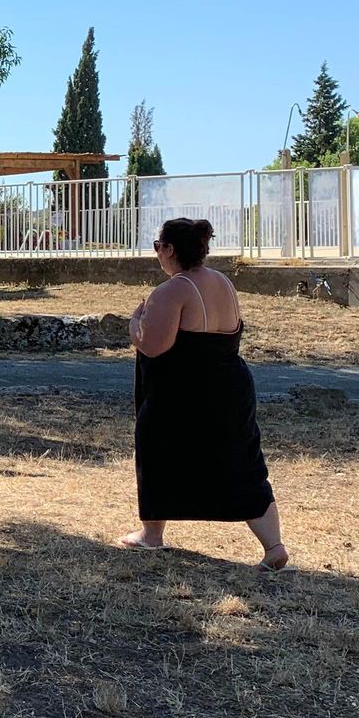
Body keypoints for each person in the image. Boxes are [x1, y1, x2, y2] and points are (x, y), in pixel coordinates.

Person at [122, 217, 288, 570]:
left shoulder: (172, 290)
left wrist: (134, 325)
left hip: (183, 392)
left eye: (158, 246)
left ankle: (152, 534)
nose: (157, 253)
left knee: (157, 452)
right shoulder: (223, 282)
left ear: (170, 249)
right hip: (231, 385)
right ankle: (273, 546)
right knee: (242, 461)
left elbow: (153, 346)